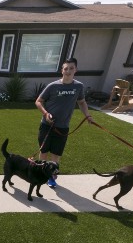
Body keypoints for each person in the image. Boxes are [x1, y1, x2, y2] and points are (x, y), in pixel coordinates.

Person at [35, 58, 93, 188]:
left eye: (71, 68)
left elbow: (82, 102)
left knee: (56, 155)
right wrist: (46, 114)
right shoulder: (53, 86)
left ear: (75, 70)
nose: (68, 71)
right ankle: (40, 174)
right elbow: (39, 101)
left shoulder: (78, 86)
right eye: (65, 68)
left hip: (63, 127)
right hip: (46, 126)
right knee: (43, 152)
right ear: (62, 70)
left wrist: (87, 115)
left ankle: (51, 177)